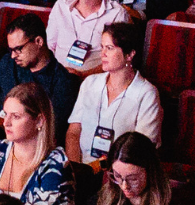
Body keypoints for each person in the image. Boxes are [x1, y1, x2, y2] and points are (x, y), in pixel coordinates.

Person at [0, 11, 81, 142]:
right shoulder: (7, 62)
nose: (13, 55)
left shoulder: (63, 81)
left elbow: (50, 130)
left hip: (27, 140)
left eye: (18, 49)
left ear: (38, 41)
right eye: (11, 50)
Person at [64, 21, 162, 164]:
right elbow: (73, 132)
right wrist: (76, 169)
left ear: (129, 55)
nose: (102, 54)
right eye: (102, 47)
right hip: (83, 168)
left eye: (109, 48)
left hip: (120, 170)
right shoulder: (89, 83)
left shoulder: (147, 93)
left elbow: (140, 149)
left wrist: (101, 168)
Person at [48, 0, 134, 76]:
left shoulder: (117, 14)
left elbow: (118, 60)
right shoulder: (61, 5)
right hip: (57, 76)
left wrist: (83, 76)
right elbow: (49, 47)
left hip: (95, 79)